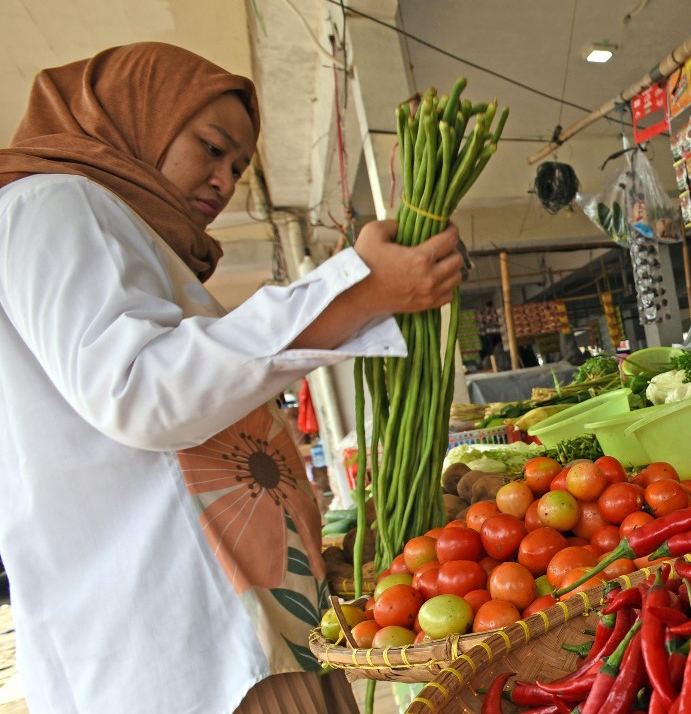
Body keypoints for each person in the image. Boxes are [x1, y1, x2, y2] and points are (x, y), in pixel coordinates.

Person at [0, 43, 463, 714]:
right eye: (211, 148)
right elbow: (138, 389)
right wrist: (354, 297)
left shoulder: (118, 230)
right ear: (137, 116)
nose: (224, 180)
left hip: (233, 637)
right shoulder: (51, 201)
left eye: (238, 166)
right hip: (190, 648)